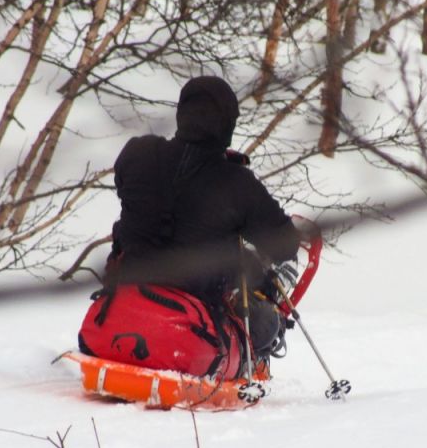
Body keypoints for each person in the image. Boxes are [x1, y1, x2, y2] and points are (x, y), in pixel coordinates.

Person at [79, 76, 300, 377]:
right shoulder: (236, 183)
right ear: (228, 125)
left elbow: (128, 185)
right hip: (193, 327)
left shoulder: (138, 153)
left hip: (119, 306)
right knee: (263, 315)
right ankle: (251, 361)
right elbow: (285, 243)